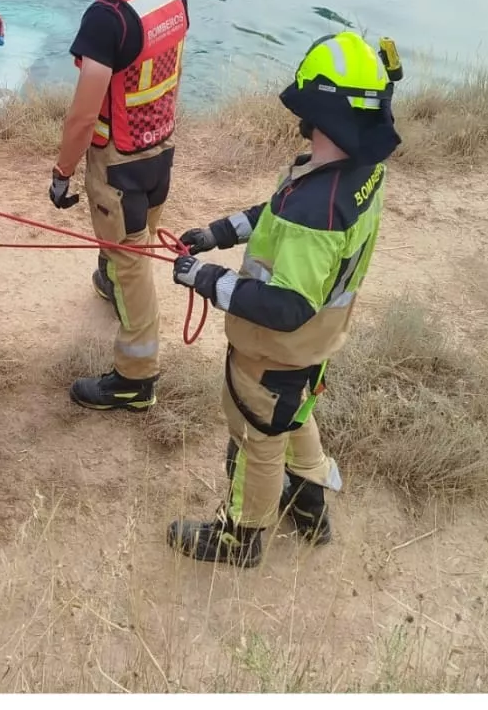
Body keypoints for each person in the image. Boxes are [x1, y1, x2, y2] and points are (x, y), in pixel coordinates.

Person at [165, 31, 403, 568]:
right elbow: (278, 208)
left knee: (258, 437)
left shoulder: (314, 209)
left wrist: (204, 279)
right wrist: (217, 234)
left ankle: (240, 537)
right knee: (295, 413)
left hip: (275, 349)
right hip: (315, 344)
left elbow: (285, 306)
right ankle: (311, 503)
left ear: (316, 108)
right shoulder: (357, 172)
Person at [48, 0, 190, 412]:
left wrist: (62, 174)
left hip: (119, 166)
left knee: (133, 264)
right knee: (135, 240)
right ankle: (110, 279)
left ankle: (136, 377)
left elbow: (84, 115)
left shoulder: (106, 17)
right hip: (160, 153)